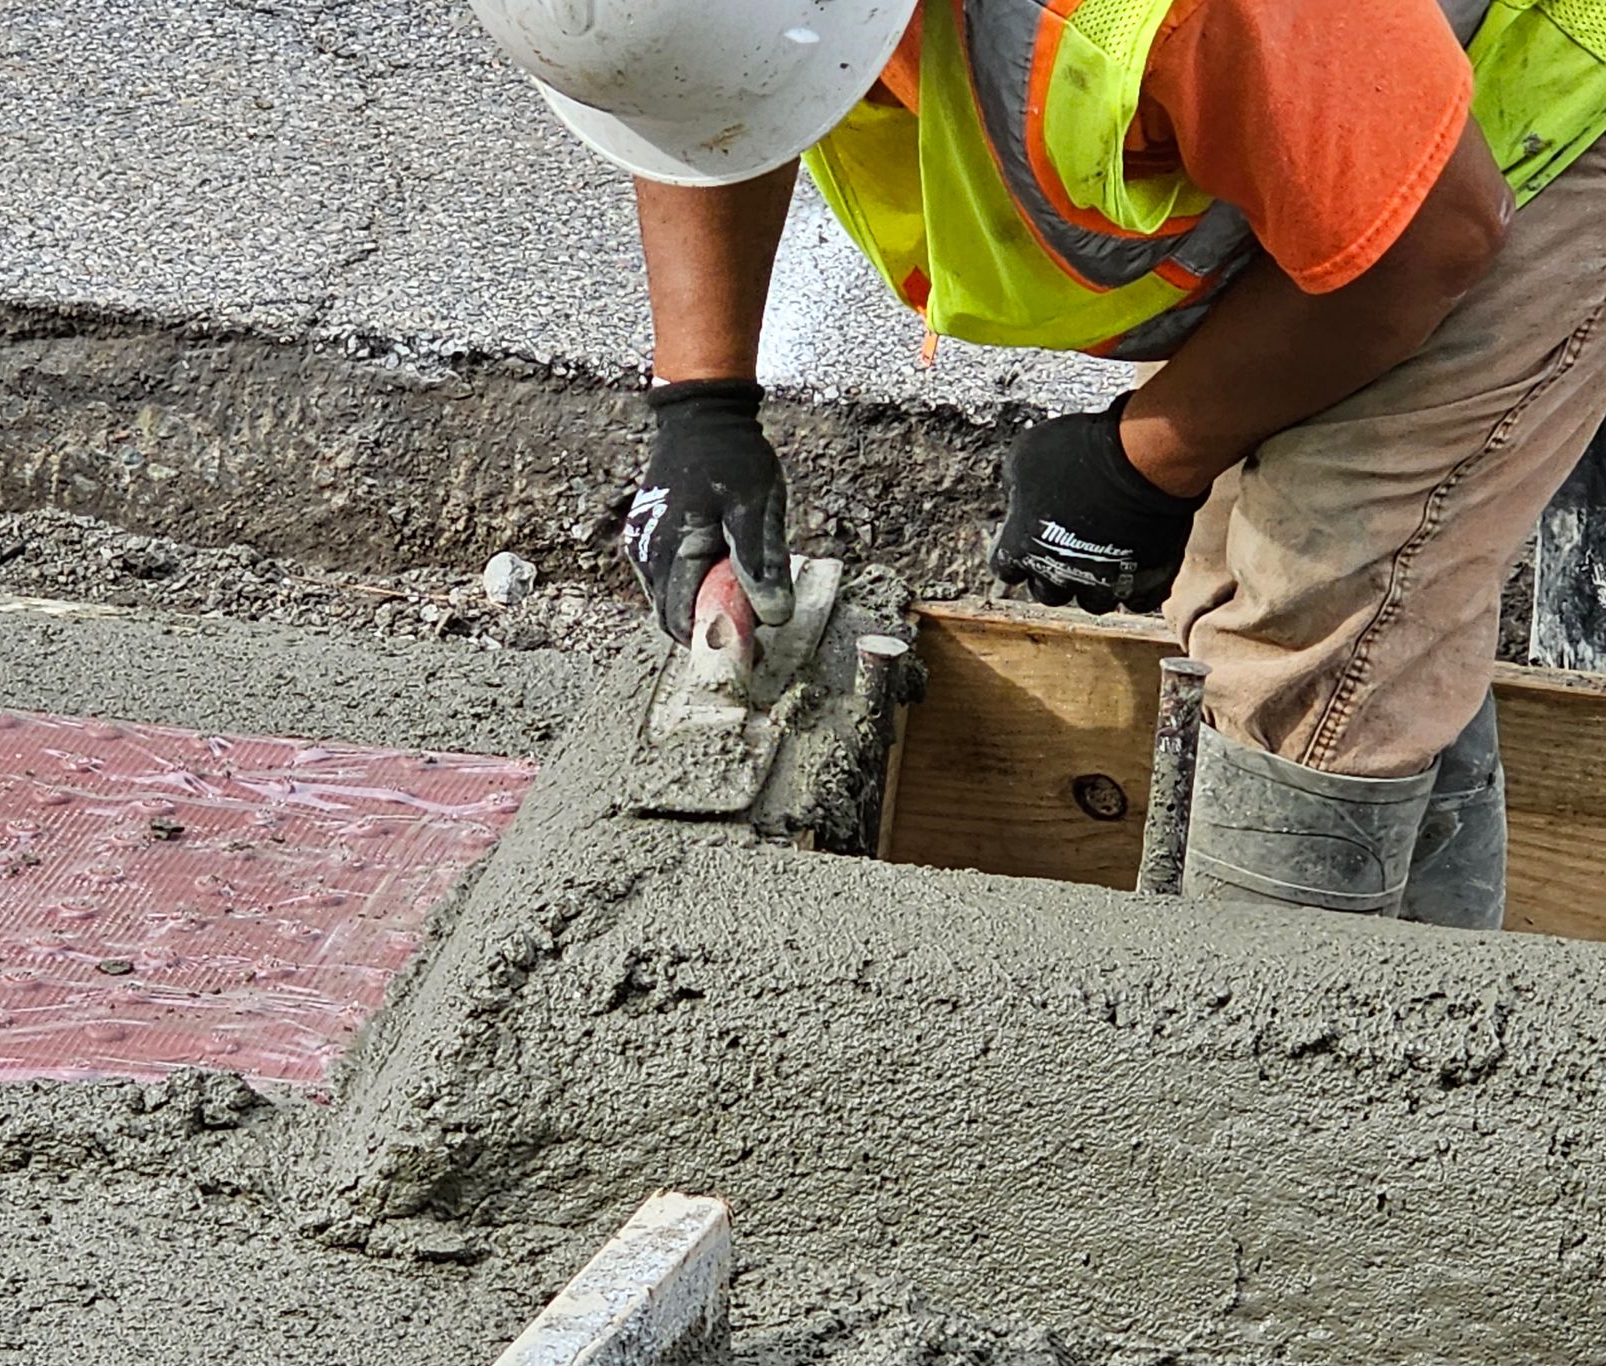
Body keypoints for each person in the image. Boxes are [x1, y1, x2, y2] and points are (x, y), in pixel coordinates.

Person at [468, 0, 1606, 926]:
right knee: (1379, 605)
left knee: (1307, 613)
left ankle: (1261, 1117)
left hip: (1545, 99)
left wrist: (1141, 463)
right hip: (1360, 109)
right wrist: (699, 408)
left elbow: (1432, 240)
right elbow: (713, 85)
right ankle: (1444, 1017)